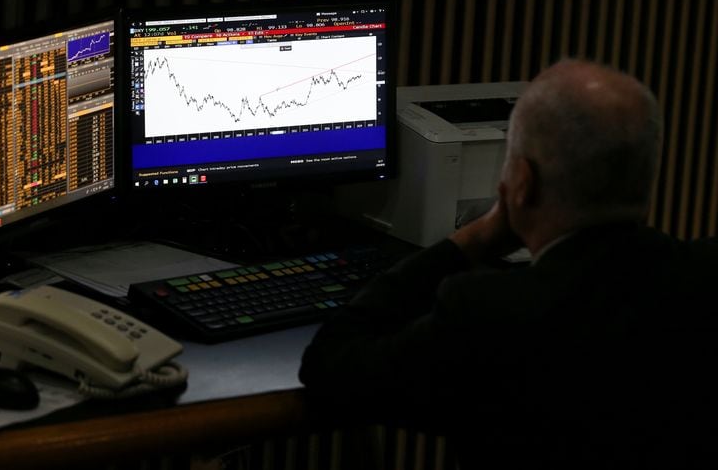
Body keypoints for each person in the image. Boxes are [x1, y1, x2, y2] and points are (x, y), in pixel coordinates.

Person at [299, 60, 718, 468]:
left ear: (521, 181)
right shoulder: (705, 274)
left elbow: (329, 364)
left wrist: (472, 239)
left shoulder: (488, 314)